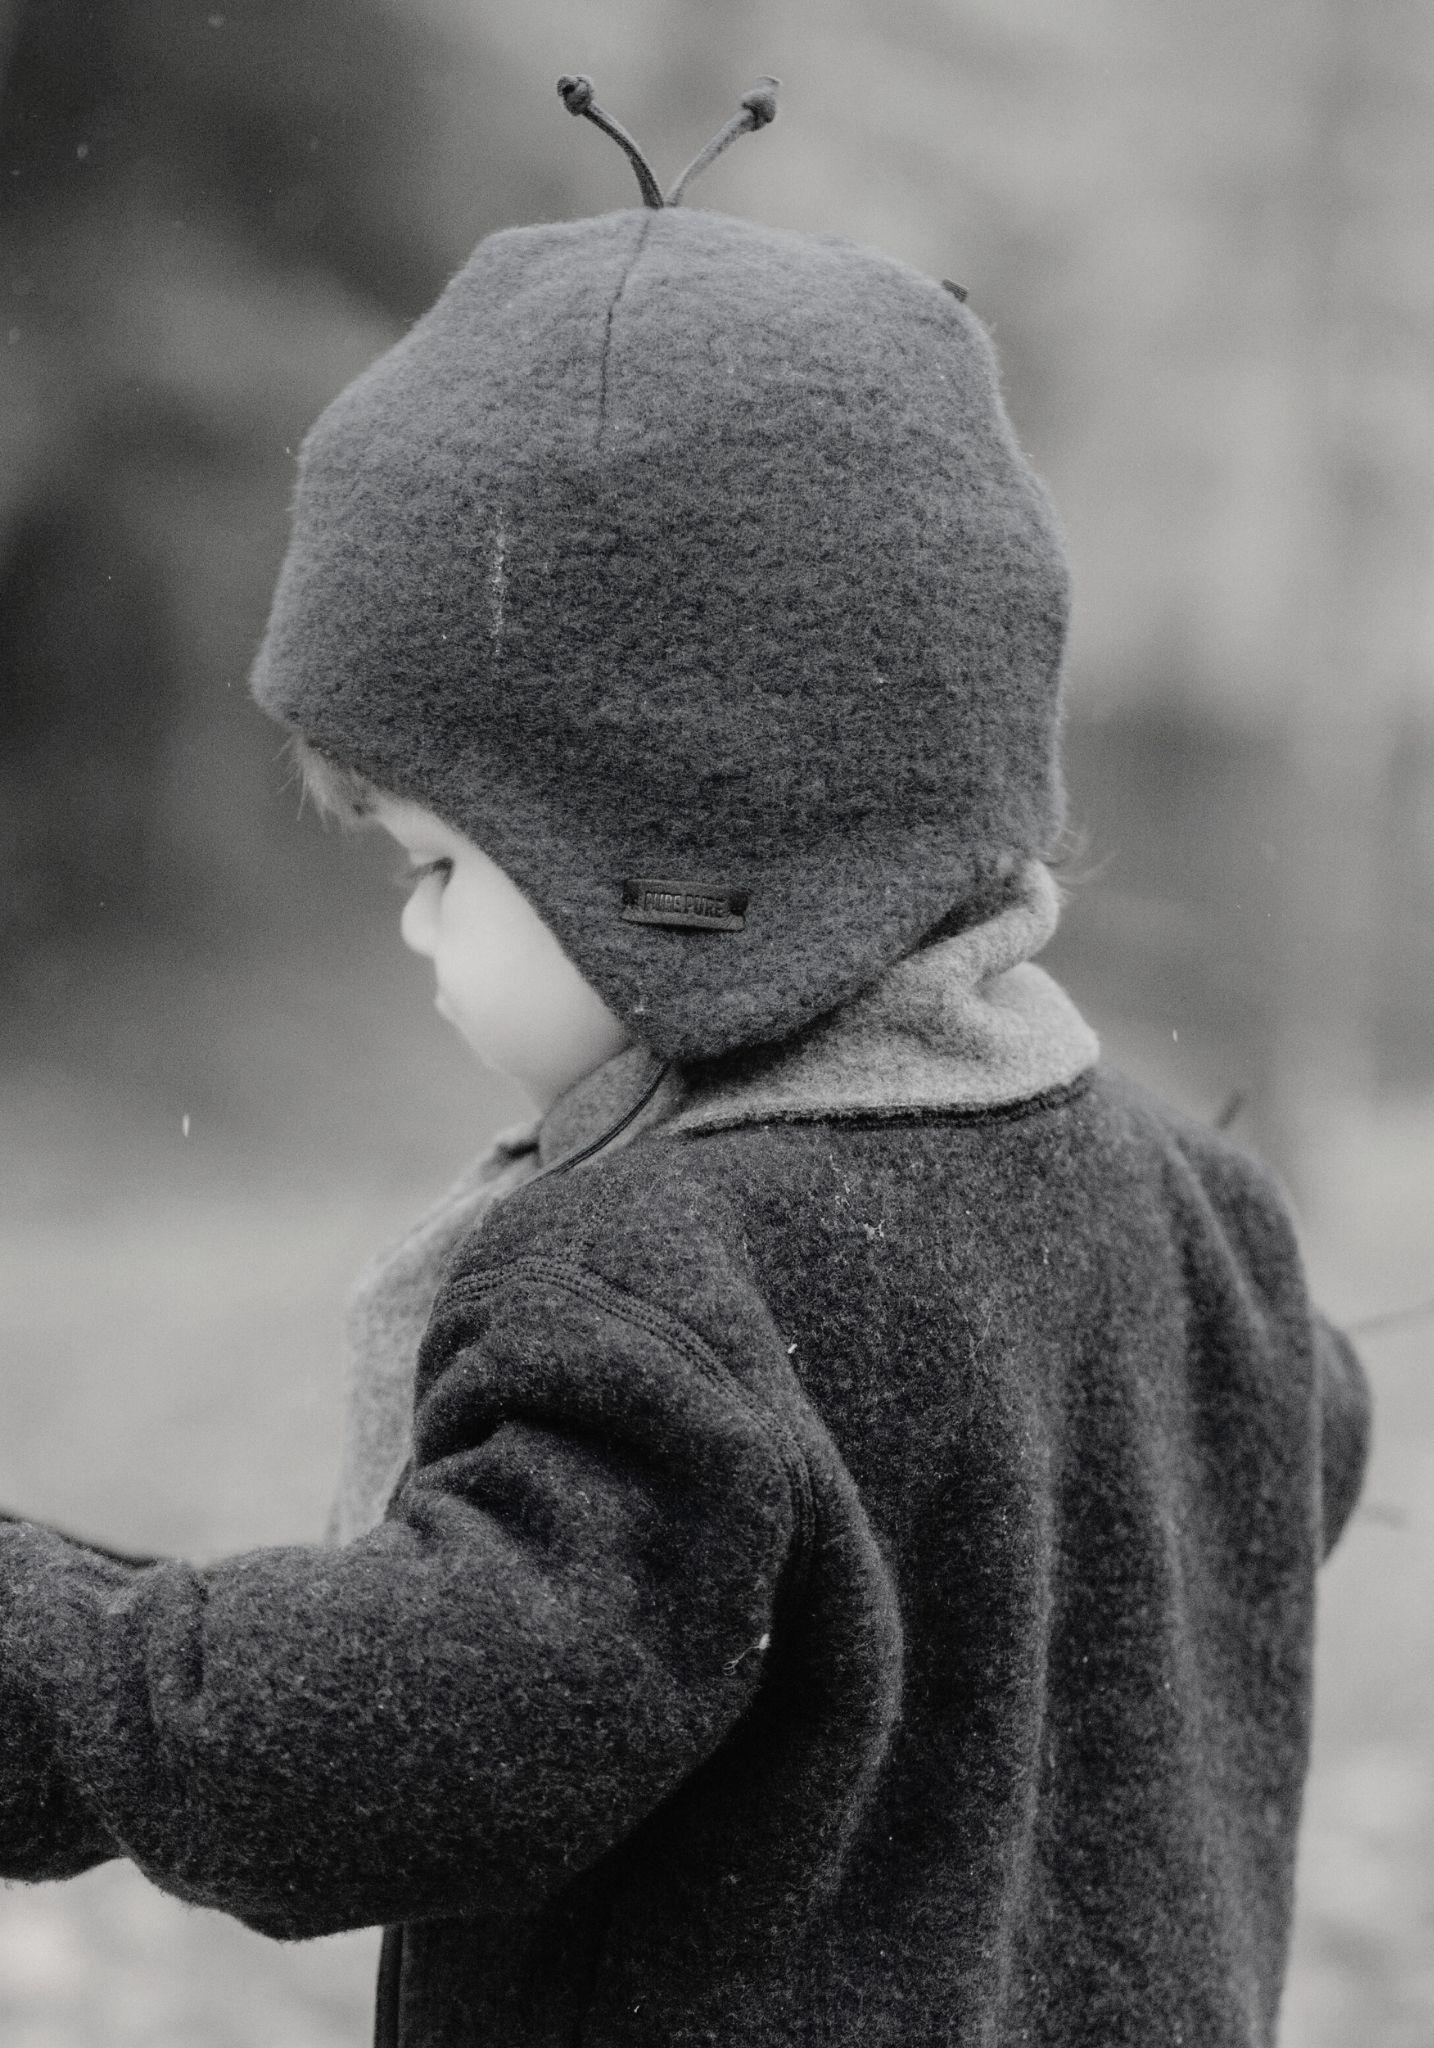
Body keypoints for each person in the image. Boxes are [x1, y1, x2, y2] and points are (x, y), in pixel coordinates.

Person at [0, 72, 1371, 2048]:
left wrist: (51, 1663)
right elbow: (1292, 1431)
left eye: (448, 861)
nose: (412, 925)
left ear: (676, 843)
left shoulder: (668, 1282)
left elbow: (430, 1715)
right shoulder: (1197, 1210)